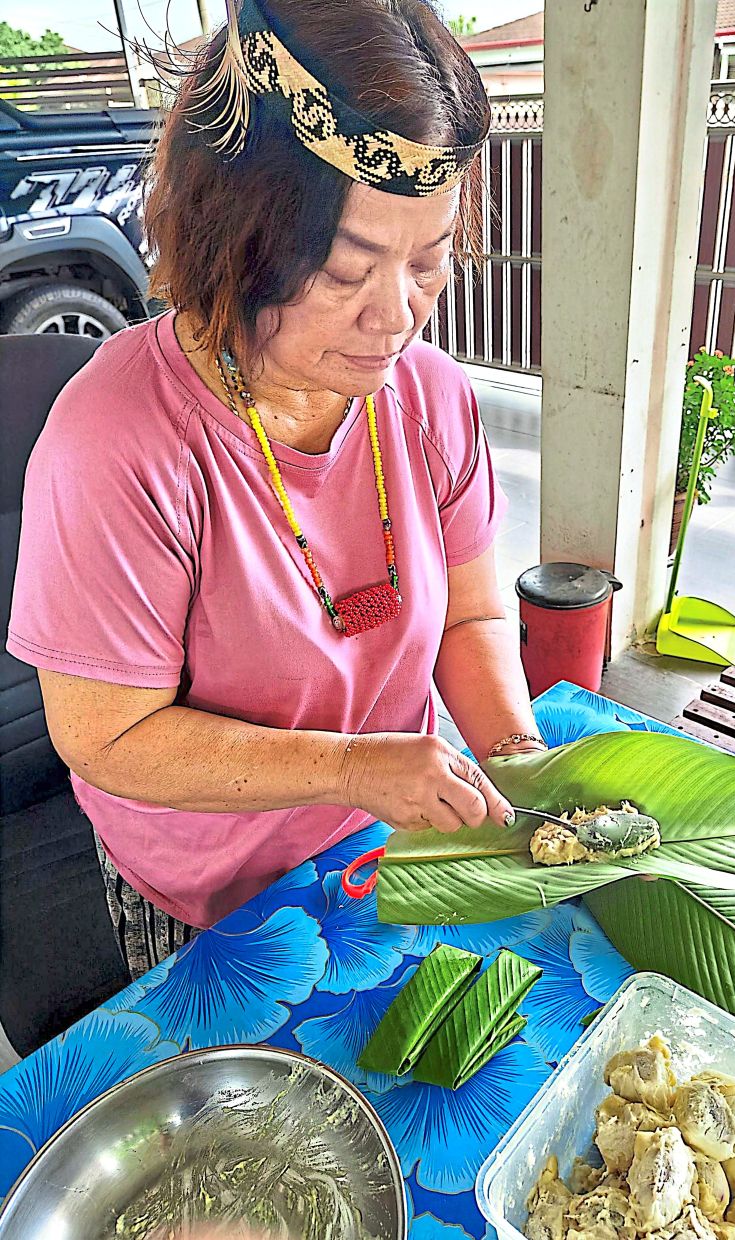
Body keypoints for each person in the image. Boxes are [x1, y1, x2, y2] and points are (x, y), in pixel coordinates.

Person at [7, 0, 547, 980]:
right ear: (235, 239)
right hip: (214, 898)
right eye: (346, 272)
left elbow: (469, 616)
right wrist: (352, 765)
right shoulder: (119, 443)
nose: (396, 319)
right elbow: (106, 734)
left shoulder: (429, 398)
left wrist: (512, 754)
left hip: (387, 842)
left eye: (427, 265)